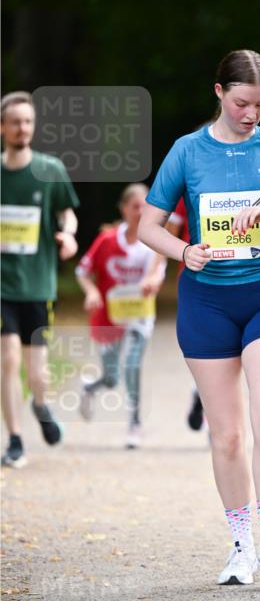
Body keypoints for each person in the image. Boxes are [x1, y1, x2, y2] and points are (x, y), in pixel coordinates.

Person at [138, 49, 260, 587]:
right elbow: (147, 227)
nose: (252, 114)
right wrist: (183, 252)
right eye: (243, 103)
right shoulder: (187, 152)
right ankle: (241, 546)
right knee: (227, 436)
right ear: (219, 93)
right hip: (207, 303)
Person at [1, 91, 79, 468]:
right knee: (8, 359)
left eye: (28, 121)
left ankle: (41, 403)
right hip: (3, 287)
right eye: (15, 122)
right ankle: (15, 440)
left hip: (37, 286)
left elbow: (67, 214)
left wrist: (68, 235)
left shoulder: (50, 170)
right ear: (3, 127)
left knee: (37, 371)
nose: (22, 128)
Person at [76, 184, 166, 449]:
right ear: (124, 209)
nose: (140, 211)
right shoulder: (106, 240)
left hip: (139, 315)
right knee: (112, 377)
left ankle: (135, 423)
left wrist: (151, 282)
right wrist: (92, 292)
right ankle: (91, 388)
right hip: (109, 316)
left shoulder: (155, 243)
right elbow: (82, 272)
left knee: (133, 366)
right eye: (135, 206)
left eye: (145, 206)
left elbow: (157, 273)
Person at [166, 195, 205, 432]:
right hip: (195, 278)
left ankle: (200, 392)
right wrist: (154, 271)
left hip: (240, 278)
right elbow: (168, 233)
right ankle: (214, 424)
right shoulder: (189, 182)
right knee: (211, 348)